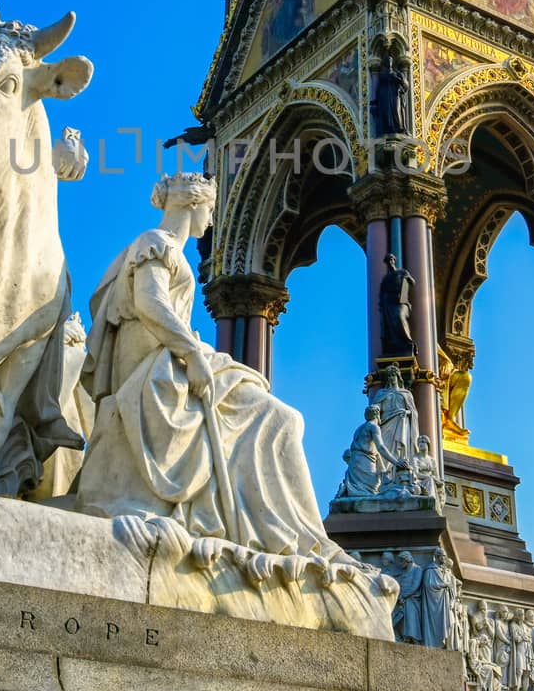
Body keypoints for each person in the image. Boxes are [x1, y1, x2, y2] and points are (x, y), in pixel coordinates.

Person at [76, 173, 344, 561]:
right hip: (157, 376)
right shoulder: (155, 243)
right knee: (277, 419)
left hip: (172, 366)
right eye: (210, 209)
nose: (212, 221)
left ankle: (297, 537)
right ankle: (288, 537)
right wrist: (194, 354)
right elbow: (150, 304)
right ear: (193, 204)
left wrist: (193, 351)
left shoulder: (170, 250)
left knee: (283, 419)